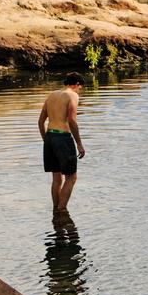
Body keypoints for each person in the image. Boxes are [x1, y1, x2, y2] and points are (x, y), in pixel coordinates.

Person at [39, 74, 87, 212]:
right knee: (71, 177)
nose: (79, 91)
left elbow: (41, 121)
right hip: (63, 138)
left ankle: (56, 209)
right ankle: (61, 211)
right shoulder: (72, 95)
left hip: (50, 137)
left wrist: (46, 140)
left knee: (56, 178)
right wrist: (79, 143)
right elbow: (72, 121)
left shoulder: (52, 95)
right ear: (77, 84)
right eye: (80, 88)